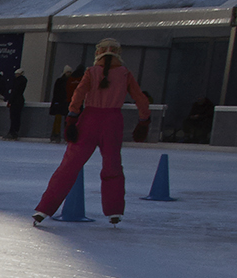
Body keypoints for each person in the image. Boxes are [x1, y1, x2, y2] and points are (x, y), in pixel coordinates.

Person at [33, 37, 150, 226]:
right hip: (112, 122)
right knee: (112, 165)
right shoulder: (125, 74)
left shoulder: (91, 72)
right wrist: (144, 121)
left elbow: (78, 94)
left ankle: (44, 208)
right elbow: (140, 99)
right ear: (118, 53)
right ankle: (114, 211)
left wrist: (71, 118)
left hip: (89, 120)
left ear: (98, 53)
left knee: (69, 165)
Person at [48, 65, 76, 141]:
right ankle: (56, 134)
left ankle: (64, 134)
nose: (69, 73)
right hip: (60, 102)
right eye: (68, 72)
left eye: (70, 72)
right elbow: (56, 92)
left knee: (66, 120)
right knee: (58, 119)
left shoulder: (70, 81)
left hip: (66, 102)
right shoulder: (61, 81)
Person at [6, 67, 27, 139]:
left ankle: (12, 131)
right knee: (17, 117)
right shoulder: (23, 81)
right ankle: (15, 131)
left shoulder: (17, 82)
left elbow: (14, 92)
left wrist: (10, 101)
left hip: (15, 102)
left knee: (13, 117)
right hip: (19, 101)